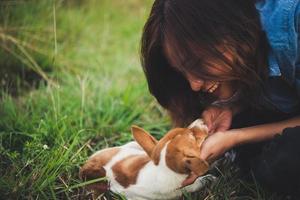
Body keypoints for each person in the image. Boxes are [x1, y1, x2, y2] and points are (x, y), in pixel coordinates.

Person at [140, 0, 300, 196]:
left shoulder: (292, 16)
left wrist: (235, 138)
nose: (194, 85)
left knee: (286, 160)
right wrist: (232, 107)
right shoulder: (244, 45)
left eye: (196, 63)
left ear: (229, 29)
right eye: (182, 72)